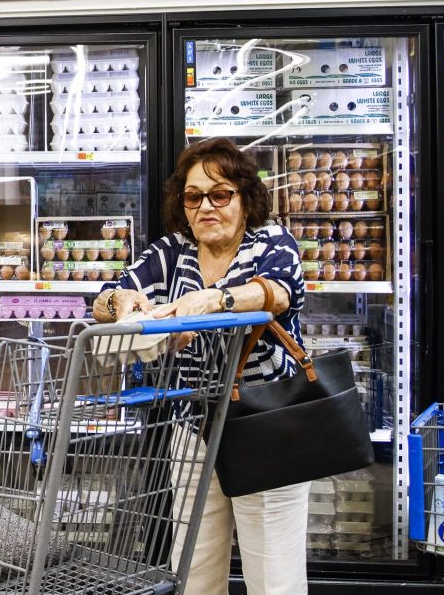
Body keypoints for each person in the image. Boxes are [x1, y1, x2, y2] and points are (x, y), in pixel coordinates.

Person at [93, 137, 308, 595]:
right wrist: (122, 301)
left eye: (220, 194)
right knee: (193, 570)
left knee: (274, 579)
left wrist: (216, 299)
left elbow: (278, 291)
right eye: (194, 196)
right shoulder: (172, 252)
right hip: (194, 430)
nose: (206, 206)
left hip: (267, 427)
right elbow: (101, 302)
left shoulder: (271, 242)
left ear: (246, 199)